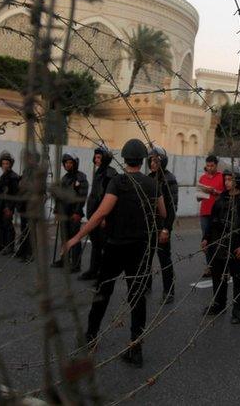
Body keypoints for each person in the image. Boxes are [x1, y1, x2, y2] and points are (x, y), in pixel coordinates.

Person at [64, 138, 166, 368]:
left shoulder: (118, 182)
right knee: (137, 297)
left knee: (103, 292)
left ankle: (90, 337)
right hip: (140, 247)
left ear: (125, 159)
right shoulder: (151, 184)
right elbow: (163, 211)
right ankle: (135, 348)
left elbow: (100, 214)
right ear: (141, 160)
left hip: (115, 246)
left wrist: (76, 237)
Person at [202, 166, 240, 324]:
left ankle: (239, 309)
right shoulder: (220, 200)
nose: (227, 182)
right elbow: (212, 222)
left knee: (238, 278)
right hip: (218, 245)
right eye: (225, 179)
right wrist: (206, 238)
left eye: (230, 179)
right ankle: (219, 304)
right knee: (217, 277)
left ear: (238, 180)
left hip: (236, 246)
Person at [80, 144, 118, 281]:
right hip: (94, 215)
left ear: (106, 158)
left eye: (99, 157)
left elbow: (109, 199)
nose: (96, 160)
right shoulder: (100, 172)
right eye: (95, 157)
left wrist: (104, 217)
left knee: (103, 246)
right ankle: (93, 270)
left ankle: (103, 273)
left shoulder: (109, 174)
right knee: (95, 244)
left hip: (103, 217)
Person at [148, 145, 178, 304]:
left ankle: (169, 291)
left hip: (161, 226)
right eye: (151, 160)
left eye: (156, 161)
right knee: (146, 257)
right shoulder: (149, 178)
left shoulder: (169, 179)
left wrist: (166, 228)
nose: (153, 164)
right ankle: (146, 286)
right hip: (149, 225)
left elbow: (172, 207)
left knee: (164, 258)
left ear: (162, 162)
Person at [51, 153, 88, 271]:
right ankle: (64, 260)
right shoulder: (65, 178)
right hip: (64, 212)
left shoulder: (81, 177)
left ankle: (75, 264)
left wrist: (77, 212)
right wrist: (57, 211)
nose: (68, 165)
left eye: (70, 162)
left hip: (74, 213)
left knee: (74, 238)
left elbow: (82, 195)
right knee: (64, 237)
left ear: (75, 164)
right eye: (66, 163)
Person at [197, 155, 224, 277]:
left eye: (212, 166)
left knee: (219, 240)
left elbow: (225, 195)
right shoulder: (202, 178)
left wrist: (215, 192)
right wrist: (202, 193)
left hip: (218, 214)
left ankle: (222, 268)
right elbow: (198, 198)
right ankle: (210, 267)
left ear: (216, 165)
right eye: (207, 166)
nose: (209, 168)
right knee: (206, 241)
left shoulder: (222, 177)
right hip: (205, 213)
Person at [0, 151, 21, 254]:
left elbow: (14, 194)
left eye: (7, 163)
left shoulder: (13, 177)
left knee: (7, 225)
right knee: (1, 224)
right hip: (0, 203)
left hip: (8, 205)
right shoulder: (3, 176)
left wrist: (9, 207)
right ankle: (2, 244)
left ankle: (9, 246)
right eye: (3, 163)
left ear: (10, 164)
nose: (5, 165)